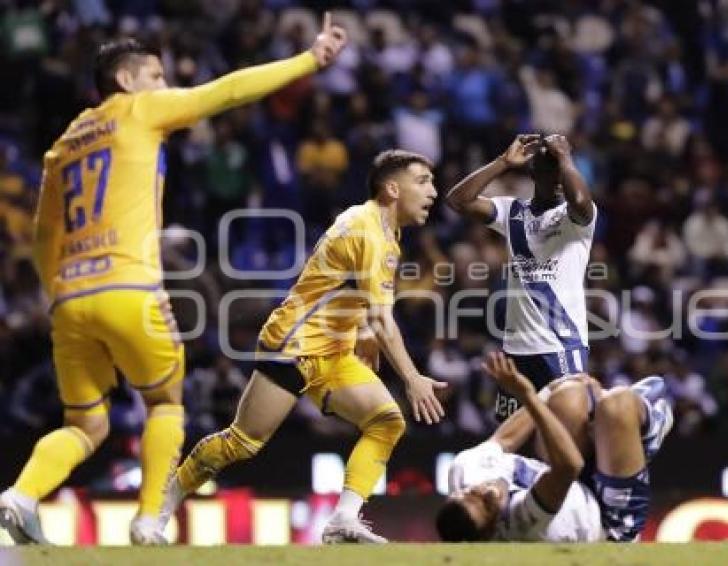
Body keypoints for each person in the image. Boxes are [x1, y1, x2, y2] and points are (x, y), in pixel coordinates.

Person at [0, 13, 347, 546]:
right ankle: (146, 521)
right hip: (129, 288)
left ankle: (18, 496)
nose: (165, 86)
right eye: (157, 76)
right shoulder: (140, 110)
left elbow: (45, 237)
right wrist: (309, 59)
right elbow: (228, 91)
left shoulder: (62, 146)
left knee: (85, 424)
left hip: (70, 300)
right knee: (164, 403)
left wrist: (57, 295)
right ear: (127, 80)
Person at [162, 149, 446, 544]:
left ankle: (343, 520)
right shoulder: (365, 230)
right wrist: (412, 377)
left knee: (386, 421)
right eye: (423, 181)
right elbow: (383, 316)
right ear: (392, 188)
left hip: (334, 351)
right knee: (243, 441)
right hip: (293, 344)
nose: (433, 191)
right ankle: (164, 501)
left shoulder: (387, 234)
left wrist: (363, 333)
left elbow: (353, 293)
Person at [436, 352, 672, 542]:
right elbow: (569, 465)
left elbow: (505, 439)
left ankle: (602, 430)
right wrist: (527, 395)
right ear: (490, 531)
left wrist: (548, 391)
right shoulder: (522, 524)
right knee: (617, 406)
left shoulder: (464, 470)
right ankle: (648, 430)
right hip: (607, 523)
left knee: (566, 396)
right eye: (488, 505)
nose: (486, 492)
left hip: (573, 482)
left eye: (471, 493)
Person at [446, 134, 596, 421]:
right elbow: (458, 200)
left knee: (571, 428)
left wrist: (565, 157)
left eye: (563, 171)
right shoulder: (512, 211)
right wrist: (502, 163)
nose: (560, 180)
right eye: (552, 171)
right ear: (534, 173)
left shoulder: (575, 218)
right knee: (512, 434)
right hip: (516, 350)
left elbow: (579, 198)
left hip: (560, 345)